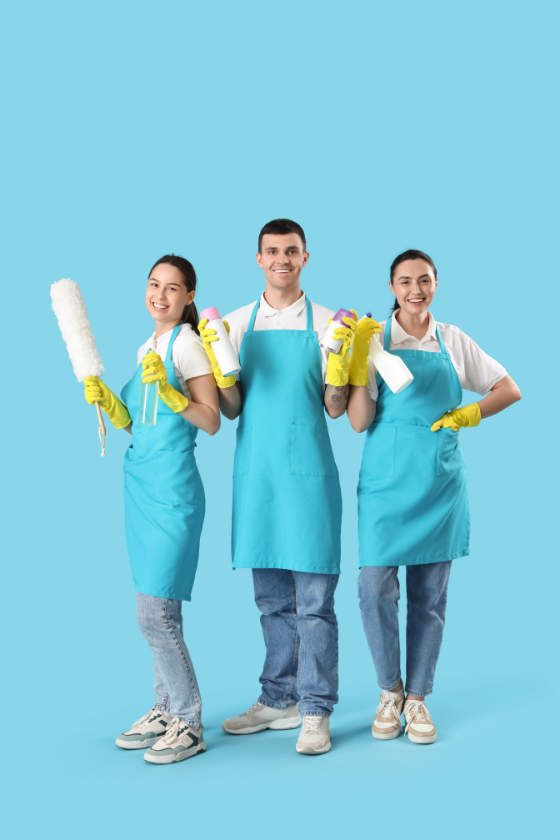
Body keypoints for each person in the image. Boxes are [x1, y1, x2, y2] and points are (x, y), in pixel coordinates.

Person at [347, 249, 521, 744]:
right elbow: (358, 421)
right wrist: (359, 362)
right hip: (384, 484)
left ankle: (418, 698)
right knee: (373, 588)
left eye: (423, 280)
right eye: (405, 282)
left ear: (436, 284)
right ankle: (390, 690)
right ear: (391, 287)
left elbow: (509, 388)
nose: (414, 290)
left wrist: (472, 414)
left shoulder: (454, 340)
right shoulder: (374, 339)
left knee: (429, 598)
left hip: (438, 482)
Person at [199, 219, 356, 755]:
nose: (281, 259)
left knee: (314, 603)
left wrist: (339, 366)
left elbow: (336, 410)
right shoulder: (236, 324)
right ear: (259, 258)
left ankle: (315, 710)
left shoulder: (328, 324)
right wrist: (219, 370)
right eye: (272, 251)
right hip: (259, 477)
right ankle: (277, 698)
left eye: (291, 251)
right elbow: (233, 407)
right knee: (271, 601)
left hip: (309, 476)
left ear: (305, 258)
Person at [83, 255, 220, 765]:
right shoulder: (147, 345)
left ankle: (188, 720)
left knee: (155, 613)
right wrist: (112, 406)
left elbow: (210, 420)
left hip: (173, 490)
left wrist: (173, 393)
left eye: (173, 288)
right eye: (153, 285)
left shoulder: (187, 344)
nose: (160, 295)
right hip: (139, 486)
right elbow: (137, 425)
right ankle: (165, 708)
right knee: (156, 604)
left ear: (188, 297)